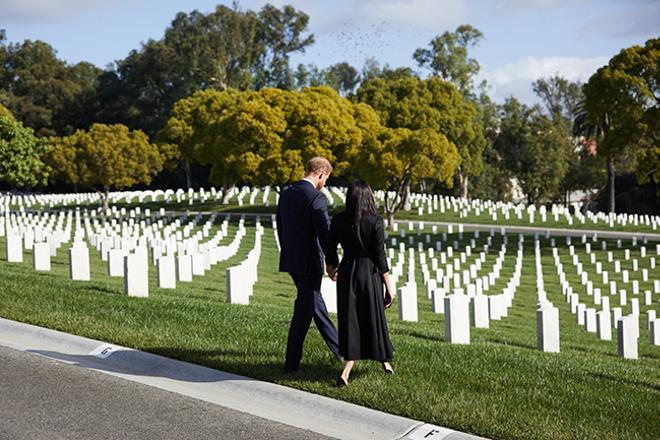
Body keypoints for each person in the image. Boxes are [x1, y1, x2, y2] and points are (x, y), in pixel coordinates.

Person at [276, 157, 342, 373]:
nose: (325, 183)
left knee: (315, 305)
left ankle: (341, 351)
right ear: (321, 174)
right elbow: (325, 233)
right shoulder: (316, 198)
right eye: (326, 179)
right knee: (304, 312)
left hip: (292, 260)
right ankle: (291, 364)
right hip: (310, 262)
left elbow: (281, 227)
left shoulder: (286, 194)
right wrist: (333, 262)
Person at [328, 179, 395, 387]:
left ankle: (351, 368)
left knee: (351, 319)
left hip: (348, 271)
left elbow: (329, 246)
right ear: (369, 197)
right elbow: (380, 257)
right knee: (373, 317)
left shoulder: (338, 219)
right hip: (369, 274)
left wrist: (332, 267)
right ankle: (380, 361)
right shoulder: (375, 221)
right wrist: (389, 287)